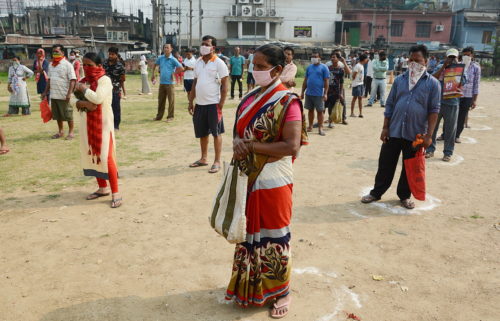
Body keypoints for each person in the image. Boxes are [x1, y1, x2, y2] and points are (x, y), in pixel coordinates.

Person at [226, 43, 308, 318]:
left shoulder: (288, 101)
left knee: (274, 234)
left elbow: (291, 146)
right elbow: (239, 133)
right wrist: (238, 143)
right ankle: (250, 286)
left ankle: (281, 291)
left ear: (277, 69)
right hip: (247, 178)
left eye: (261, 67)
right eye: (253, 65)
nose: (255, 70)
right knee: (248, 232)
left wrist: (250, 147)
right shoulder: (249, 98)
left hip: (273, 180)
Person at [361, 45, 440, 210]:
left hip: (415, 133)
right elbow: (390, 104)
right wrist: (385, 127)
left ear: (426, 62)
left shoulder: (433, 84)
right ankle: (376, 192)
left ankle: (404, 196)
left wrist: (429, 135)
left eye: (417, 60)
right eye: (411, 60)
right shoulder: (400, 80)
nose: (413, 63)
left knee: (409, 166)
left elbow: (434, 111)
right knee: (385, 163)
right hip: (394, 129)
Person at [74, 52, 122, 209]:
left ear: (99, 66)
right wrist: (83, 103)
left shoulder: (104, 80)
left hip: (103, 124)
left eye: (90, 65)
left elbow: (98, 98)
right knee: (93, 155)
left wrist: (84, 91)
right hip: (88, 124)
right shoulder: (84, 81)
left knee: (106, 157)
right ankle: (103, 188)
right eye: (84, 65)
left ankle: (116, 192)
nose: (86, 68)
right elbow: (72, 99)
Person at [188, 35, 228, 174]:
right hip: (200, 104)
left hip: (213, 104)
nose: (203, 46)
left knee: (216, 133)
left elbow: (225, 85)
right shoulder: (198, 62)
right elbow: (195, 83)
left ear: (213, 47)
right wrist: (190, 101)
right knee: (202, 133)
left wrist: (221, 104)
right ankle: (203, 158)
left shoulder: (219, 63)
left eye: (206, 44)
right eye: (202, 44)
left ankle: (216, 161)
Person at [425, 48, 466, 162]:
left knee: (450, 130)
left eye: (454, 57)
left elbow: (463, 82)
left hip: (452, 103)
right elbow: (431, 79)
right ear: (446, 57)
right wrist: (444, 68)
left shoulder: (461, 68)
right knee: (432, 128)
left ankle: (448, 152)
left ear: (457, 58)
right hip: (437, 102)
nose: (452, 59)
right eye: (450, 57)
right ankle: (430, 150)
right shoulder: (440, 67)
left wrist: (457, 69)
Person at [438, 47, 481, 143]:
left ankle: (457, 135)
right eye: (464, 55)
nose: (466, 56)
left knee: (461, 116)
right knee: (449, 117)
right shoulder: (457, 64)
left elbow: (476, 84)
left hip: (467, 95)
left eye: (468, 55)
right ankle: (444, 134)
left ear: (472, 55)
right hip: (455, 94)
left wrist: (474, 100)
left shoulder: (476, 67)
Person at [42, 44, 77, 140]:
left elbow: (73, 80)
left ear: (62, 52)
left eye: (57, 51)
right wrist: (45, 92)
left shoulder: (67, 65)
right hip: (54, 94)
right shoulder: (51, 65)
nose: (54, 53)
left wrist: (69, 93)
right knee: (57, 115)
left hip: (64, 94)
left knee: (68, 114)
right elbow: (49, 79)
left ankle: (71, 132)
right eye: (53, 52)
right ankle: (60, 131)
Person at [151, 43, 183, 122]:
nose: (165, 49)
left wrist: (173, 73)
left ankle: (170, 117)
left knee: (171, 100)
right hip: (162, 83)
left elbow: (181, 68)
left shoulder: (173, 59)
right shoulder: (160, 58)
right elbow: (155, 65)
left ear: (171, 49)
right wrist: (153, 75)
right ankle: (159, 116)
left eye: (167, 48)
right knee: (161, 100)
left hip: (170, 84)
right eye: (164, 47)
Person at [301, 51, 329, 136]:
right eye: (312, 57)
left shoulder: (324, 67)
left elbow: (326, 81)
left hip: (319, 94)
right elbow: (305, 80)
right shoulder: (309, 67)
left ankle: (320, 128)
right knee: (310, 110)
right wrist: (302, 92)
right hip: (309, 93)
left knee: (320, 111)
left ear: (319, 57)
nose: (313, 58)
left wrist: (325, 93)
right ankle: (310, 126)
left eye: (315, 56)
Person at [103, 47, 126, 130]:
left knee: (115, 108)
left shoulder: (120, 66)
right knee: (105, 108)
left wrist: (122, 90)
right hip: (104, 90)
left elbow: (122, 79)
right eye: (109, 54)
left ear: (116, 55)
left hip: (115, 90)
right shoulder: (104, 63)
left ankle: (116, 126)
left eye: (112, 54)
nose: (110, 56)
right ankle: (106, 125)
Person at [326, 52, 349, 128]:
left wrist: (341, 92)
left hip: (337, 90)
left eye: (334, 57)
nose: (332, 59)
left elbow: (342, 82)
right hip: (329, 89)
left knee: (341, 103)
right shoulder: (328, 68)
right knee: (330, 105)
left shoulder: (340, 69)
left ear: (338, 59)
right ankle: (330, 121)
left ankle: (342, 118)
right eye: (331, 57)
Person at [350, 54, 368, 118]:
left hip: (360, 84)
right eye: (366, 58)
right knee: (354, 98)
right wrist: (355, 82)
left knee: (360, 98)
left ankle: (360, 113)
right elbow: (353, 75)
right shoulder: (357, 66)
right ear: (364, 59)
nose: (367, 60)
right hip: (356, 84)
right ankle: (352, 113)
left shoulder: (362, 66)